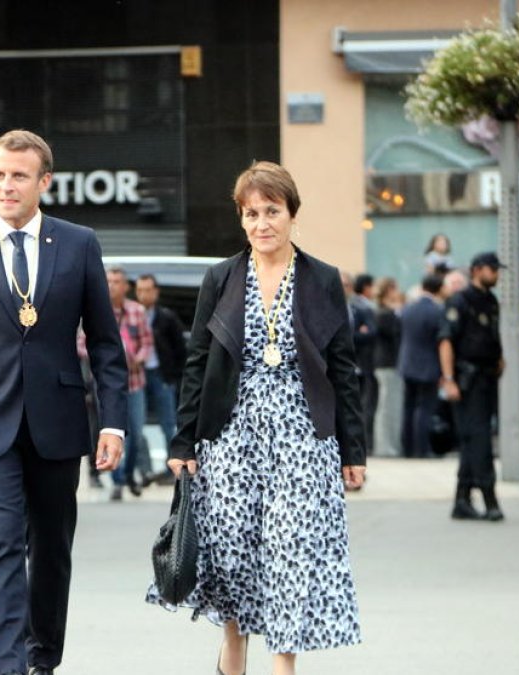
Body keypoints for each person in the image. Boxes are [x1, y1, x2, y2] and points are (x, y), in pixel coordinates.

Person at [0, 129, 127, 675]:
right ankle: (10, 667)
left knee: (52, 551)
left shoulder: (79, 243)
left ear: (44, 182)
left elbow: (106, 343)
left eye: (18, 175)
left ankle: (43, 658)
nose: (6, 186)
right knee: (1, 548)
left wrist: (115, 425)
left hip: (58, 420)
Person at [157, 161, 364, 675]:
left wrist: (352, 451)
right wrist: (183, 444)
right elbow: (197, 365)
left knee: (291, 551)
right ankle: (234, 642)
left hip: (300, 434)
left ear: (293, 214)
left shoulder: (321, 280)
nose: (261, 223)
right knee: (233, 549)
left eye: (272, 211)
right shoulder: (221, 278)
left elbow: (344, 369)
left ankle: (283, 666)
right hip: (232, 434)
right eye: (251, 213)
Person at [438, 252, 505, 522]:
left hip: (487, 377)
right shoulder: (460, 300)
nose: (497, 274)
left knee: (471, 439)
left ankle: (462, 500)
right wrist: (449, 379)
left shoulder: (490, 301)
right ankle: (489, 499)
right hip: (468, 379)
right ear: (477, 270)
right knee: (479, 440)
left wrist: (499, 359)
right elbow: (445, 341)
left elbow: (491, 335)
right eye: (493, 269)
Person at [80, 266, 151, 500]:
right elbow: (81, 343)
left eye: (117, 281)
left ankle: (129, 473)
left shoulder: (137, 311)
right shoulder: (93, 308)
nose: (112, 285)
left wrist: (137, 360)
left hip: (134, 381)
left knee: (137, 432)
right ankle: (118, 480)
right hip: (106, 386)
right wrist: (103, 356)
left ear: (126, 286)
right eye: (108, 281)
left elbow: (147, 342)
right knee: (111, 430)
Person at [134, 273, 184, 485]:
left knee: (168, 423)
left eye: (148, 289)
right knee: (137, 423)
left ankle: (169, 468)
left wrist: (174, 376)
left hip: (161, 374)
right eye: (140, 290)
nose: (144, 294)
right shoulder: (131, 316)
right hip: (137, 375)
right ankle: (144, 470)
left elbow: (180, 349)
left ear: (156, 291)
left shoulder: (166, 317)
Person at [398, 274, 447, 459]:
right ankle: (422, 448)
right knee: (425, 407)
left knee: (408, 407)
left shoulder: (408, 308)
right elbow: (440, 341)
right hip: (428, 365)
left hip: (407, 362)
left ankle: (407, 447)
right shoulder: (437, 310)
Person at [371, 277, 403, 457]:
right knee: (387, 406)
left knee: (389, 405)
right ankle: (385, 446)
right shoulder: (384, 314)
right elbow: (395, 333)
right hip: (387, 363)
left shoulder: (385, 313)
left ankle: (390, 444)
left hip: (387, 363)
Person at [350, 273, 378, 455]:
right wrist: (365, 332)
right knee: (365, 404)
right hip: (363, 362)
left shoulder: (356, 305)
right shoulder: (362, 307)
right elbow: (369, 333)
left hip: (361, 362)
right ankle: (365, 443)